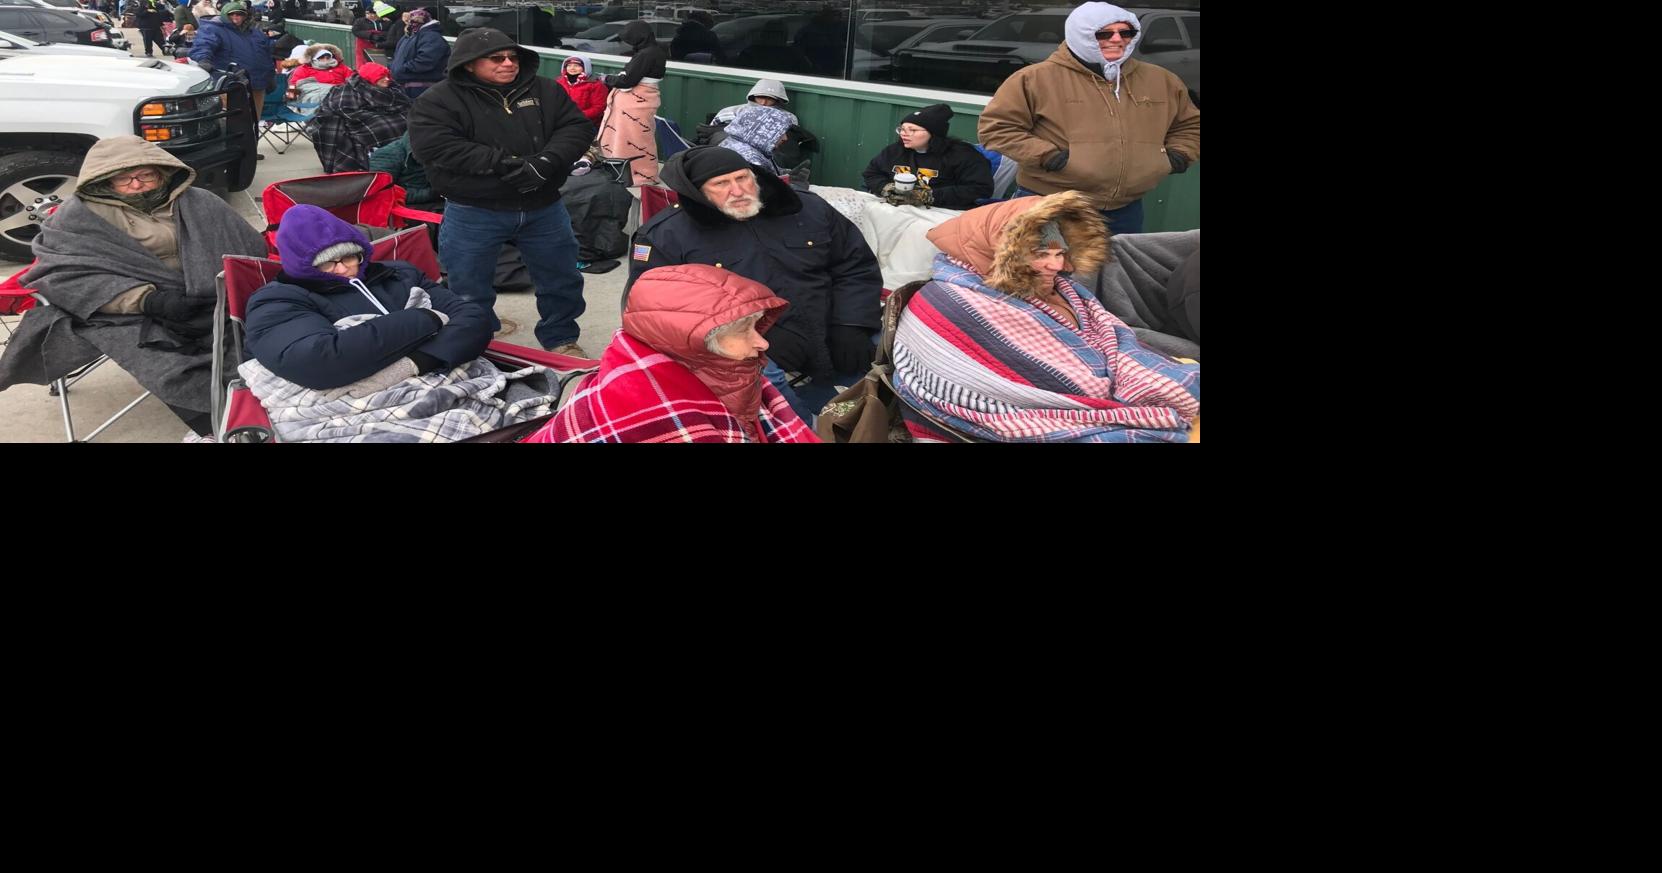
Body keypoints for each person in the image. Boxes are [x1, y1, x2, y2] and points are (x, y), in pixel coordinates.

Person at [0, 137, 267, 439]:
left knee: (260, 334)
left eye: (146, 175)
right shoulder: (75, 218)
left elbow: (247, 249)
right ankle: (224, 424)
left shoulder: (199, 201)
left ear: (163, 172)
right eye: (123, 179)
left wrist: (220, 293)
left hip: (213, 297)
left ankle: (270, 398)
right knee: (167, 362)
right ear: (101, 180)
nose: (136, 184)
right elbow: (63, 275)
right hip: (127, 307)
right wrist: (150, 301)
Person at [890, 190, 1199, 442]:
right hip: (1022, 416)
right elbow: (1074, 386)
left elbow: (1107, 334)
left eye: (1061, 253)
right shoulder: (955, 302)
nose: (1056, 265)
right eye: (1041, 254)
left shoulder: (1055, 288)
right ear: (1001, 250)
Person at [238, 206, 559, 442]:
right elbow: (319, 361)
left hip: (442, 379)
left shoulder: (399, 274)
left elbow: (475, 322)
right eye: (327, 263)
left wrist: (413, 363)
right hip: (354, 409)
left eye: (352, 256)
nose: (345, 268)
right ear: (302, 266)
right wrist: (426, 317)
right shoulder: (278, 300)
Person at [626, 147, 881, 422]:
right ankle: (803, 432)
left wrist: (850, 323)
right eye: (721, 184)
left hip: (829, 320)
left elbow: (855, 266)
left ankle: (849, 412)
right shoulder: (665, 235)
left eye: (742, 178)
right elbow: (655, 311)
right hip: (742, 339)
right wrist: (750, 334)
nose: (737, 191)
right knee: (762, 374)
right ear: (698, 191)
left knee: (892, 345)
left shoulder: (807, 207)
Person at [408, 27, 593, 355]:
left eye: (513, 57)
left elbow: (576, 127)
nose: (508, 63)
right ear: (468, 64)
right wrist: (510, 165)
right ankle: (479, 339)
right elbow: (437, 147)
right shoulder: (438, 100)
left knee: (561, 279)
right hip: (473, 209)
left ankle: (561, 338)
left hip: (544, 206)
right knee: (468, 285)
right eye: (496, 58)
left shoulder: (546, 90)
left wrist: (547, 162)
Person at [527, 264, 818, 443]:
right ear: (697, 342)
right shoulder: (648, 415)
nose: (763, 343)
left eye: (757, 327)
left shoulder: (730, 370)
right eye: (744, 330)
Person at [978, 2, 1199, 235]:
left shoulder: (1161, 80)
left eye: (1126, 32)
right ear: (1081, 35)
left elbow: (1190, 124)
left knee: (1116, 271)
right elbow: (996, 128)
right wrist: (1050, 157)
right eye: (1104, 33)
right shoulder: (1034, 79)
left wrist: (1178, 156)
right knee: (1047, 269)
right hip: (1051, 203)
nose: (1117, 39)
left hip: (1126, 209)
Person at [861, 103, 993, 210]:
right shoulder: (894, 151)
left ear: (933, 133)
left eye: (912, 130)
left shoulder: (962, 155)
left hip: (942, 211)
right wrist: (886, 188)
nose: (904, 134)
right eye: (902, 129)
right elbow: (871, 173)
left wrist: (926, 196)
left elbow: (980, 188)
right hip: (896, 208)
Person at [595, 21, 666, 188]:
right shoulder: (656, 50)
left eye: (630, 39)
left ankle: (633, 174)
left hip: (636, 102)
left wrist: (607, 79)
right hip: (646, 99)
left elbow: (627, 81)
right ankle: (641, 172)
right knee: (640, 137)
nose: (629, 43)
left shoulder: (645, 54)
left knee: (629, 137)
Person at [310, 60, 410, 173]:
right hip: (355, 120)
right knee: (381, 127)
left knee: (406, 122)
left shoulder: (393, 89)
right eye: (382, 76)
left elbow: (405, 105)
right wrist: (376, 115)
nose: (387, 79)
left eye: (388, 75)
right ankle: (378, 163)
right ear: (370, 78)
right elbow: (345, 110)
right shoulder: (346, 90)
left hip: (384, 114)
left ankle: (403, 160)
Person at [190, 1, 275, 117]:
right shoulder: (213, 28)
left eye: (239, 14)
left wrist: (270, 76)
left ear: (245, 16)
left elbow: (266, 56)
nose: (235, 17)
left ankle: (253, 135)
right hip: (231, 83)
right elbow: (204, 44)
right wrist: (203, 59)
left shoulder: (255, 33)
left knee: (254, 120)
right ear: (225, 15)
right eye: (231, 14)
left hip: (258, 83)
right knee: (232, 122)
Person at [714, 104, 797, 179]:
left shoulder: (743, 144)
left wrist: (788, 174)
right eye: (780, 133)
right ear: (763, 131)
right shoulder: (750, 159)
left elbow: (771, 173)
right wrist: (796, 186)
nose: (785, 138)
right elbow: (764, 193)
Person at [390, 7, 448, 100]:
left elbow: (426, 61)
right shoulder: (409, 36)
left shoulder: (431, 36)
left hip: (422, 88)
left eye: (414, 21)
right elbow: (397, 56)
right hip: (406, 85)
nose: (410, 24)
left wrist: (401, 69)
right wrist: (392, 68)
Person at [736, 20, 811, 75]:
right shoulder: (795, 54)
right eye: (770, 33)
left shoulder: (749, 52)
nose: (773, 36)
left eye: (777, 34)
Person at [557, 54, 608, 127]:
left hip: (584, 123)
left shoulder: (595, 85)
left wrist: (577, 116)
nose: (572, 68)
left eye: (577, 66)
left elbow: (598, 108)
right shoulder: (559, 82)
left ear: (585, 68)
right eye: (569, 65)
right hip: (560, 120)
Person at [350, 1, 390, 66]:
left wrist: (381, 35)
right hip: (363, 47)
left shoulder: (384, 22)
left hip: (379, 47)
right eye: (367, 13)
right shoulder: (360, 21)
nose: (369, 15)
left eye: (371, 13)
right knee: (363, 63)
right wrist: (371, 35)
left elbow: (389, 31)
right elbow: (355, 31)